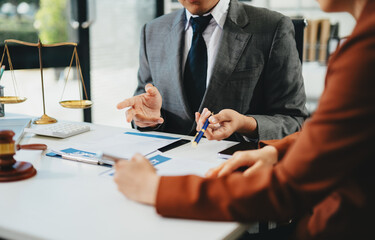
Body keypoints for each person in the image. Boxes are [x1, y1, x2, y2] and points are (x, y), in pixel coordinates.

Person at [114, 0, 375, 239]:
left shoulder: (278, 29)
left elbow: (294, 138)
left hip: (303, 216)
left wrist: (158, 190)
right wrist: (277, 152)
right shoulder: (153, 31)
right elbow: (333, 140)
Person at [117, 0, 308, 141]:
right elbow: (144, 100)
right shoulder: (152, 30)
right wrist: (147, 120)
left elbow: (293, 121)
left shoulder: (272, 27)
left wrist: (245, 124)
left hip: (239, 168)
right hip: (169, 167)